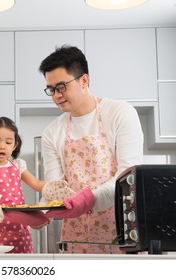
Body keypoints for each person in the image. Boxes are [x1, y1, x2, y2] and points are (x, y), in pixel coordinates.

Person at [38, 45, 144, 254]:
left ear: (84, 80)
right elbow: (55, 188)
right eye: (51, 89)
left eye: (61, 87)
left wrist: (88, 200)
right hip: (76, 240)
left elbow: (128, 180)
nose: (56, 96)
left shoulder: (120, 113)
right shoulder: (52, 132)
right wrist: (39, 213)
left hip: (121, 233)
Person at [0, 116, 67, 253]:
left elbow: (35, 183)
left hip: (19, 228)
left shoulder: (18, 165)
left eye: (8, 142)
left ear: (15, 145)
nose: (2, 146)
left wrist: (50, 188)